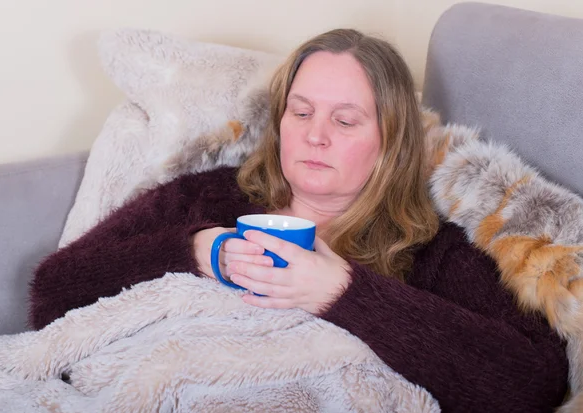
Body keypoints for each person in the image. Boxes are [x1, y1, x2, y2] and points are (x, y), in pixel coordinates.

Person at [29, 29, 568, 412]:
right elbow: (52, 293)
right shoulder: (209, 197)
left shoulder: (431, 248)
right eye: (302, 112)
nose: (316, 135)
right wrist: (195, 251)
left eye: (345, 120)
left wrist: (344, 293)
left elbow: (530, 387)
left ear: (391, 142)